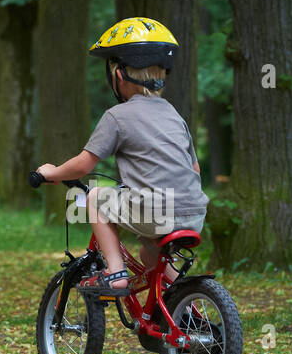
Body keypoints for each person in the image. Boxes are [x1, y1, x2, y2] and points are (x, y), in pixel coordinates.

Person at [35, 17, 208, 296]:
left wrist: (51, 173)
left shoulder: (117, 116)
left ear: (118, 75)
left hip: (156, 211)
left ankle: (115, 273)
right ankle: (186, 305)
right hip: (194, 212)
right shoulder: (173, 114)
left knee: (95, 199)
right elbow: (195, 169)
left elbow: (84, 164)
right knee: (151, 255)